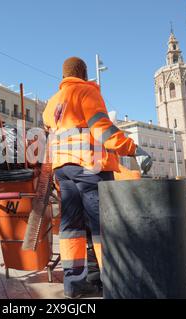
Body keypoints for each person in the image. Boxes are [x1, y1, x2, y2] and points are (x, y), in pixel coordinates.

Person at [42, 57, 152, 299]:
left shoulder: (51, 104)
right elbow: (101, 128)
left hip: (63, 169)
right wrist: (133, 149)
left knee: (71, 226)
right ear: (84, 73)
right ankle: (113, 279)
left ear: (64, 76)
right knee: (102, 224)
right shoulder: (86, 92)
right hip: (88, 167)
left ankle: (73, 283)